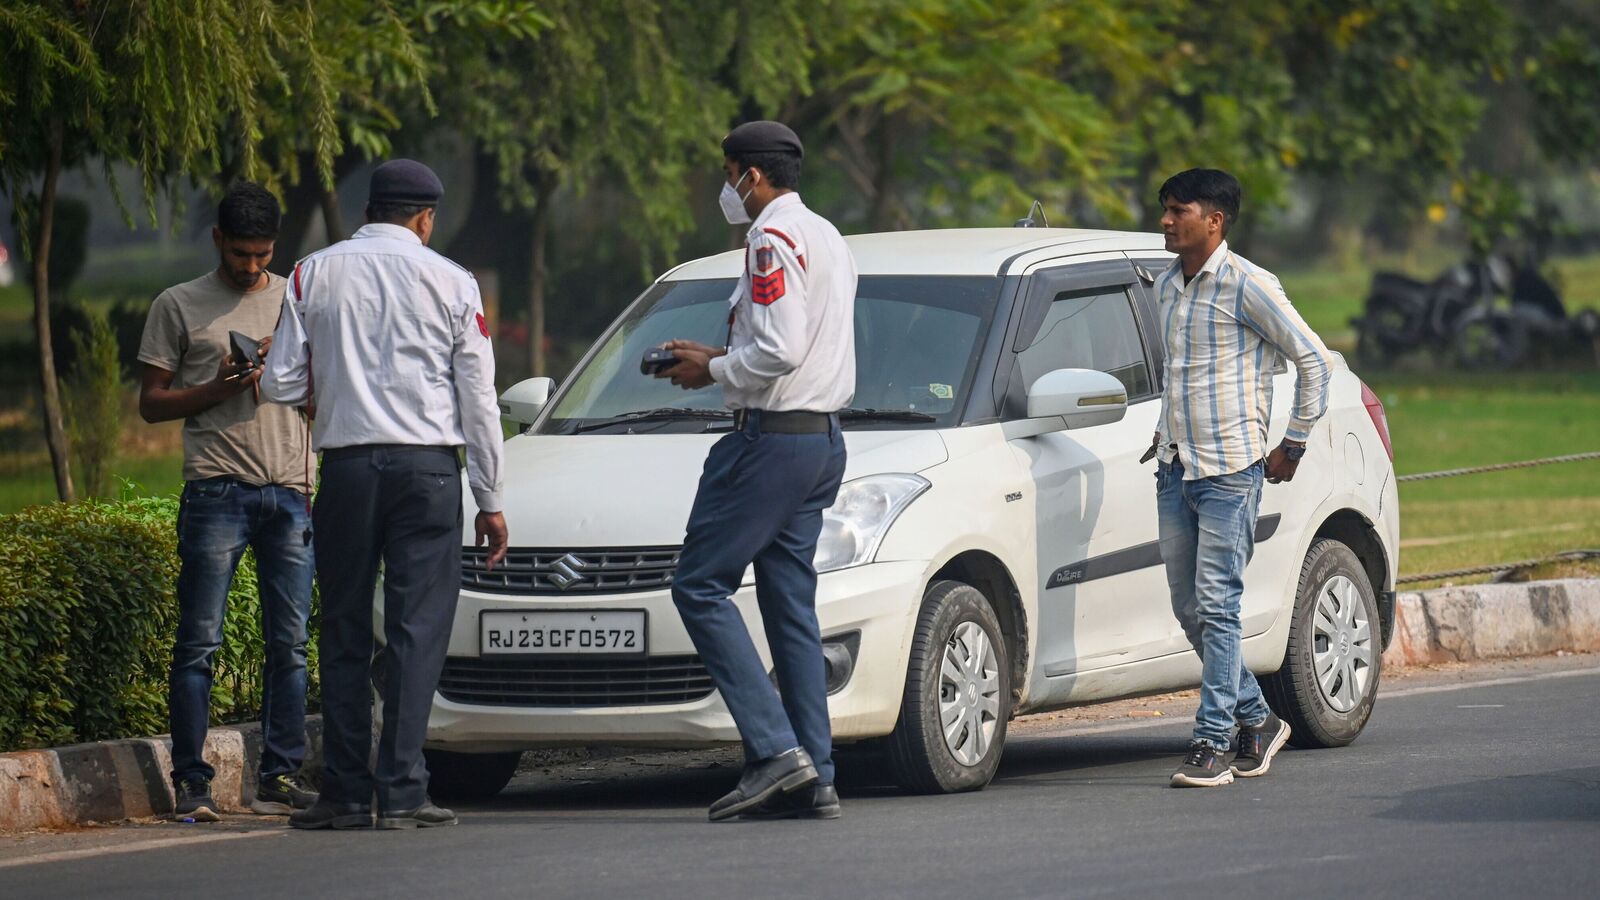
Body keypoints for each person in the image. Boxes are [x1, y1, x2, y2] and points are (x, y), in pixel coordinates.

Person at [261, 159, 509, 829]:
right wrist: (489, 494)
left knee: (342, 627)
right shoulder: (454, 281)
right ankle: (401, 788)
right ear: (425, 217)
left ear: (371, 209)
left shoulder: (314, 272)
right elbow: (478, 399)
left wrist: (336, 391)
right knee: (415, 631)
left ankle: (343, 792)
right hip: (428, 473)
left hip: (345, 470)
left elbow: (279, 383)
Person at [657, 120, 856, 822]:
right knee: (787, 607)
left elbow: (779, 349)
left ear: (749, 175)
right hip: (819, 441)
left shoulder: (770, 239)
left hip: (769, 442)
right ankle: (816, 771)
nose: (726, 189)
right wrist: (717, 356)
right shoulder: (828, 235)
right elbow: (791, 343)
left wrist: (712, 367)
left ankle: (776, 753)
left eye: (729, 174)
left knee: (699, 586)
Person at [136, 182, 318, 822]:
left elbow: (321, 395)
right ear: (217, 240)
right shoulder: (179, 304)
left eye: (262, 255)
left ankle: (281, 777)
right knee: (199, 644)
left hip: (291, 491)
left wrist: (286, 372)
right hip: (216, 488)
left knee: (290, 644)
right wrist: (217, 388)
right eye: (241, 254)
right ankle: (192, 783)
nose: (251, 267)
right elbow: (151, 403)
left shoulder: (297, 297)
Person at [1149, 168, 1333, 787]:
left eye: (1179, 210)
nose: (1167, 221)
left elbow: (1314, 360)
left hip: (1230, 470)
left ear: (1215, 221)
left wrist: (1295, 442)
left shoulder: (1249, 285)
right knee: (1189, 606)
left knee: (1219, 605)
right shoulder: (1166, 287)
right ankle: (1258, 717)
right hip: (1176, 466)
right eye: (1165, 209)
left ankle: (1212, 743)